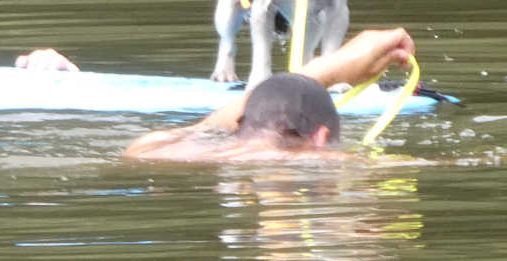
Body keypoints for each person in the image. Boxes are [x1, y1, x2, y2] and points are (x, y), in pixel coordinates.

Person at [122, 27, 420, 162]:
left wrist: (329, 69)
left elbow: (200, 130)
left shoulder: (166, 153)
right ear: (321, 137)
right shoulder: (333, 162)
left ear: (239, 124)